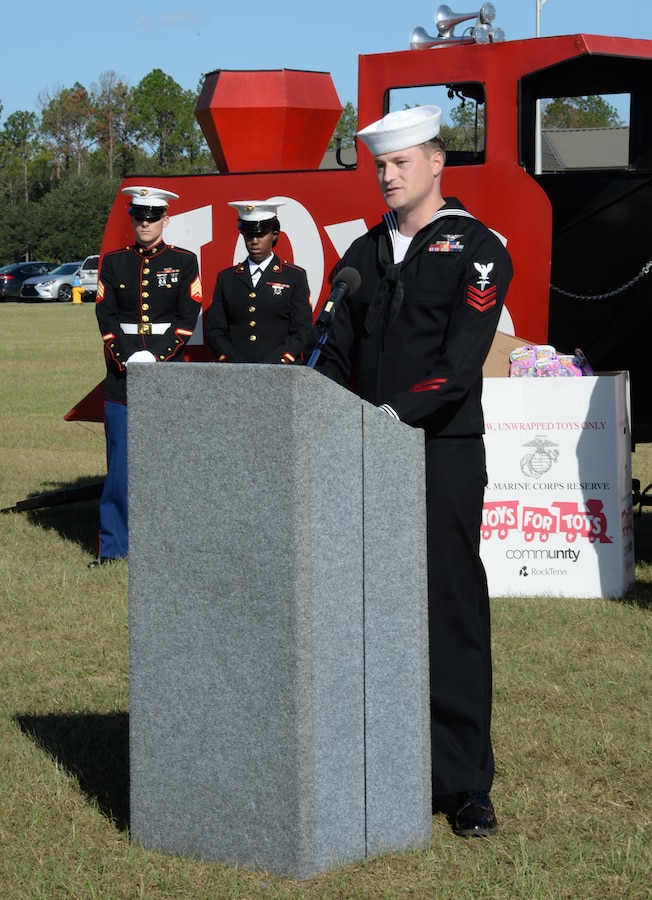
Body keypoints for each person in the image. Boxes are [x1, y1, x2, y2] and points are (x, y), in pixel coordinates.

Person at [314, 106, 513, 836]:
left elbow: (457, 368)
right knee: (361, 608)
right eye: (380, 165)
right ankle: (372, 759)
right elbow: (333, 353)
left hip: (440, 451)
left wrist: (389, 415)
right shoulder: (362, 254)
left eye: (400, 163)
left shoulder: (478, 250)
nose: (388, 176)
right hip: (363, 450)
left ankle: (463, 783)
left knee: (448, 609)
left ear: (436, 163)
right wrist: (319, 409)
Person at [90, 185, 203, 567]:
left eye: (153, 217)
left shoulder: (184, 262)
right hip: (122, 377)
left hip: (167, 374)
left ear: (165, 220)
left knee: (169, 464)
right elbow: (106, 317)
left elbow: (187, 319)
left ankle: (167, 545)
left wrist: (155, 357)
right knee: (119, 469)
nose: (145, 224)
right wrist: (128, 358)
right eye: (139, 217)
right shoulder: (114, 262)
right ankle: (113, 548)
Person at [205, 201, 313, 364]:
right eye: (249, 235)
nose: (254, 241)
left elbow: (301, 331)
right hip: (236, 370)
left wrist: (273, 364)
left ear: (274, 234)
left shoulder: (294, 276)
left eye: (261, 235)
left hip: (281, 369)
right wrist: (235, 363)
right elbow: (215, 330)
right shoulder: (227, 278)